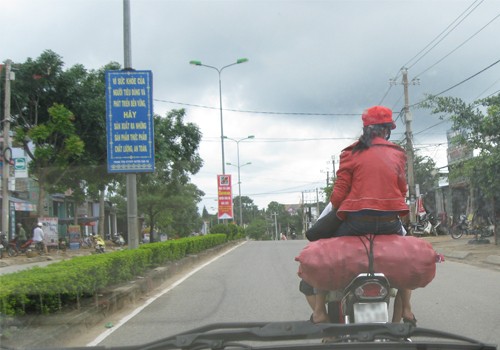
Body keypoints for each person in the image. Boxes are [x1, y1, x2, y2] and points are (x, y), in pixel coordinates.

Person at [307, 105, 416, 326]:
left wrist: (337, 210)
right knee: (405, 258)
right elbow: (402, 189)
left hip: (355, 224)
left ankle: (319, 311)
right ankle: (405, 310)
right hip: (389, 223)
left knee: (324, 249)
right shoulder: (398, 153)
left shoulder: (350, 153)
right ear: (387, 130)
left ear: (365, 129)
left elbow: (339, 194)